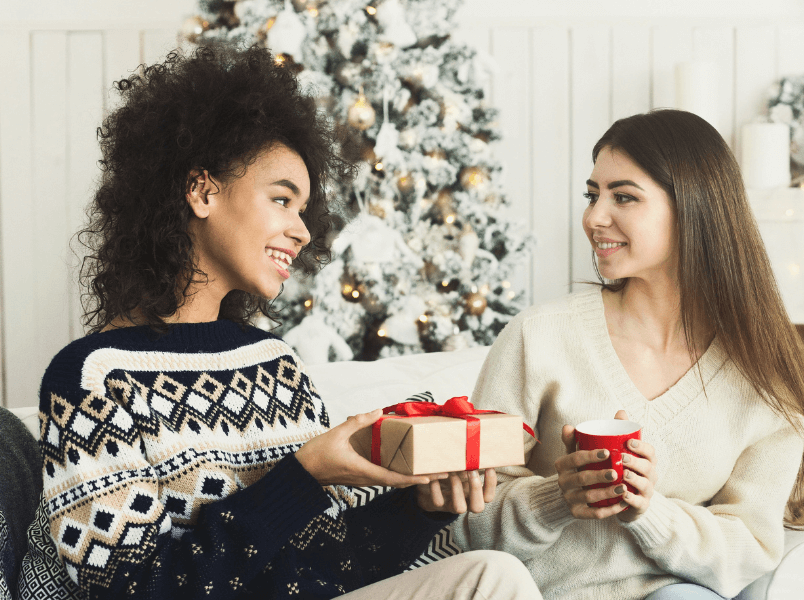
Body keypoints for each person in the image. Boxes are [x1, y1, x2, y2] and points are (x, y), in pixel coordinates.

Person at [23, 44, 541, 600]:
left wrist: (417, 509)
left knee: (493, 573)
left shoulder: (273, 365)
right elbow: (131, 591)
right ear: (203, 191)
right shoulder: (94, 378)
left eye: (303, 209)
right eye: (282, 199)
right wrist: (302, 476)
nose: (302, 230)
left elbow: (327, 570)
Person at [450, 109, 804, 600]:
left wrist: (651, 509)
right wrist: (557, 496)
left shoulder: (763, 380)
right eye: (592, 195)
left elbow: (750, 547)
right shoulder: (538, 337)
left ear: (696, 207)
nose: (593, 218)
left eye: (623, 196)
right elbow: (469, 524)